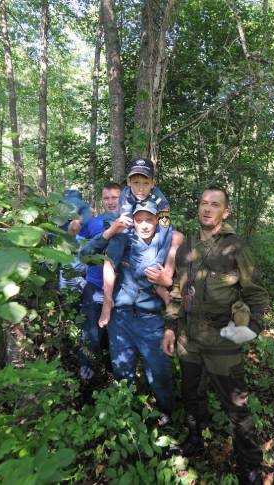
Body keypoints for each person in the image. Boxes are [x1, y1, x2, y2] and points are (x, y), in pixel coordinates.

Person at [160, 186, 270, 484]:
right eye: (203, 203)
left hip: (223, 340)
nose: (207, 209)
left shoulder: (235, 248)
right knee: (191, 394)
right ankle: (196, 438)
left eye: (215, 204)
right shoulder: (187, 246)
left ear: (226, 211)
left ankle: (250, 465)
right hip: (189, 339)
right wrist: (170, 327)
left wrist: (249, 330)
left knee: (236, 405)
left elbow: (257, 295)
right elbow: (177, 290)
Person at [80, 199, 175, 420]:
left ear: (157, 220)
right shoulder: (123, 239)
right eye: (139, 220)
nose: (144, 225)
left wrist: (167, 283)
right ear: (133, 221)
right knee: (122, 370)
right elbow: (94, 259)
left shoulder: (164, 243)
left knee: (159, 370)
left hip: (150, 319)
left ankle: (167, 412)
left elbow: (177, 281)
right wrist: (107, 303)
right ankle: (126, 417)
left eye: (149, 219)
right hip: (120, 318)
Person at [112, 158, 182, 306]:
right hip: (135, 231)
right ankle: (154, 286)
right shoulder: (126, 195)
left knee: (176, 237)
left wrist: (157, 263)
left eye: (146, 183)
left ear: (152, 183)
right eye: (136, 183)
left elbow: (165, 232)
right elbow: (126, 225)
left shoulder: (160, 199)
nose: (141, 188)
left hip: (154, 230)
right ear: (129, 182)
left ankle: (165, 280)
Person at [72, 182, 121, 387]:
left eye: (114, 197)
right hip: (94, 287)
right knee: (90, 334)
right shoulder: (94, 222)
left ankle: (115, 378)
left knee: (115, 337)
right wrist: (73, 224)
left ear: (122, 198)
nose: (110, 202)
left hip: (120, 290)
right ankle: (87, 376)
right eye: (106, 198)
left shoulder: (131, 221)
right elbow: (74, 239)